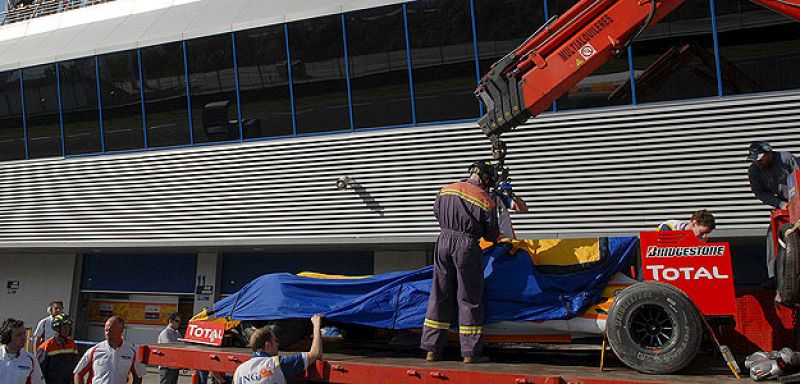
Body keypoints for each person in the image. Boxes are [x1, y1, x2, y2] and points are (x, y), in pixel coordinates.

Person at [421, 160, 500, 364]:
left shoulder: (445, 190)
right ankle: (470, 353)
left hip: (443, 241)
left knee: (439, 294)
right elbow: (492, 236)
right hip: (466, 246)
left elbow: (436, 212)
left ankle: (431, 350)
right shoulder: (485, 199)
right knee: (469, 297)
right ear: (485, 179)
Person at [747, 141, 800, 280]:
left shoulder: (786, 158)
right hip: (785, 204)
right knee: (772, 234)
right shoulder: (754, 171)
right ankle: (774, 276)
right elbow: (760, 193)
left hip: (798, 198)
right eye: (755, 160)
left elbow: (798, 176)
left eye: (760, 158)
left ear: (769, 152)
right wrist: (780, 203)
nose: (758, 162)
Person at [232, 314, 324, 384]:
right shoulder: (276, 364)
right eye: (275, 340)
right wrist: (316, 325)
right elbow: (316, 353)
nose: (278, 343)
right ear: (268, 345)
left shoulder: (239, 371)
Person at [74, 316, 146, 384]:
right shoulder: (94, 350)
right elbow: (78, 373)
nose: (107, 333)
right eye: (106, 330)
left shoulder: (131, 352)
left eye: (110, 330)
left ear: (121, 330)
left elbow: (138, 376)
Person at [0, 318, 44, 384]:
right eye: (19, 335)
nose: (24, 338)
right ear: (7, 337)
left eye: (24, 333)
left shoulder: (30, 359)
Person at [37, 313, 78, 384]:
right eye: (64, 327)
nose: (67, 329)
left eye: (68, 327)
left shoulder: (72, 344)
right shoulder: (47, 346)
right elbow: (38, 371)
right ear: (56, 328)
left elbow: (76, 365)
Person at [157, 312, 182, 384]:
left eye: (179, 321)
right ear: (170, 321)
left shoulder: (177, 333)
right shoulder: (165, 333)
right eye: (177, 321)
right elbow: (170, 348)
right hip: (166, 367)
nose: (178, 323)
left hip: (175, 367)